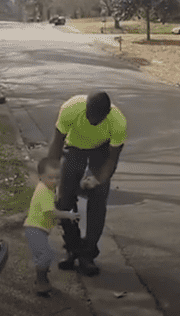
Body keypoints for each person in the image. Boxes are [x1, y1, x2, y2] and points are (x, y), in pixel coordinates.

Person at [47, 91, 127, 276]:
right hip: (74, 148)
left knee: (98, 198)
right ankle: (73, 248)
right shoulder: (70, 109)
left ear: (107, 114)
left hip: (101, 150)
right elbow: (57, 145)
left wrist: (98, 178)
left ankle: (88, 254)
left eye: (98, 118)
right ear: (85, 109)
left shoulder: (118, 122)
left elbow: (112, 160)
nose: (93, 120)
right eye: (90, 115)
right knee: (64, 200)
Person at [23, 157, 81, 296]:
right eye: (50, 177)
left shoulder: (47, 188)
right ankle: (41, 283)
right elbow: (51, 212)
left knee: (44, 255)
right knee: (46, 254)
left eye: (57, 178)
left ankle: (42, 278)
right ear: (40, 177)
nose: (54, 181)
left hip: (39, 229)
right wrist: (68, 215)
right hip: (35, 229)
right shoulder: (44, 191)